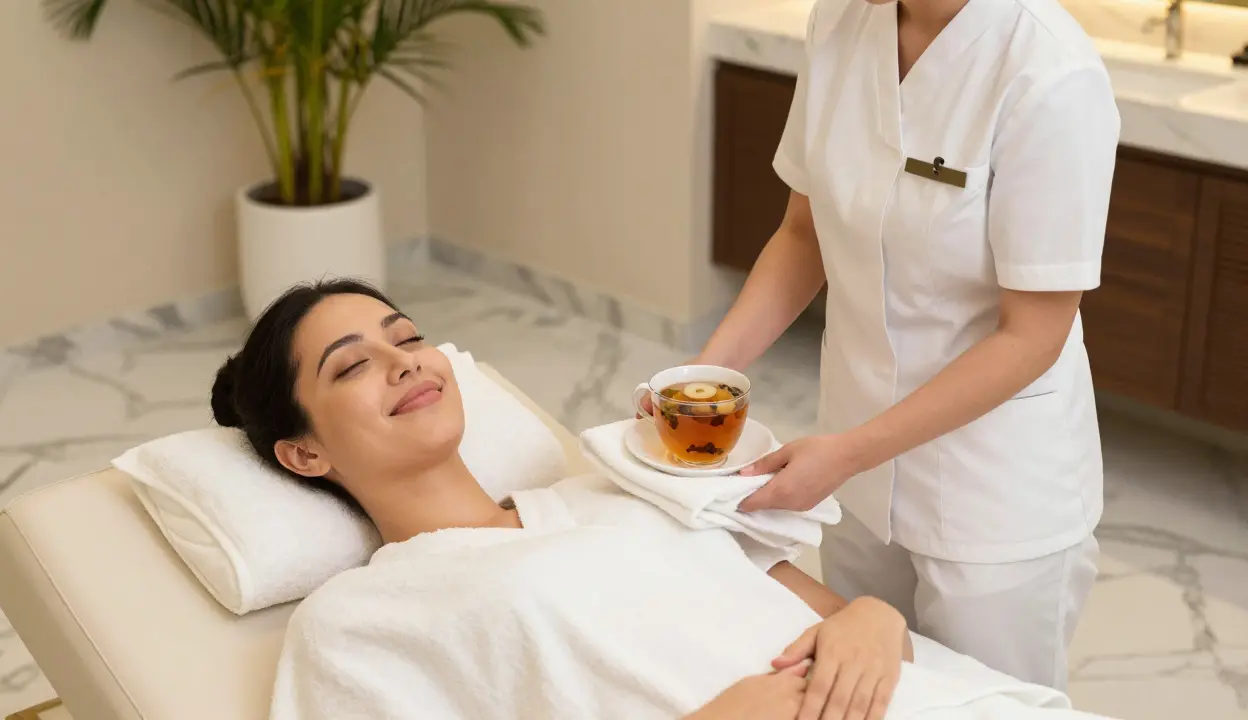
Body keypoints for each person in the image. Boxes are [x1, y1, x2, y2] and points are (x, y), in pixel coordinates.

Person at [665, 0, 1119, 691]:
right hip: (854, 468)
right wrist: (702, 379)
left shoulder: (1048, 68)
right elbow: (802, 234)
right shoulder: (842, 20)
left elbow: (1032, 335)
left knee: (985, 705)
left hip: (992, 493)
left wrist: (846, 453)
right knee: (866, 690)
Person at [211, 280, 914, 720]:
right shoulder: (355, 619)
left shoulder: (618, 489)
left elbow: (843, 619)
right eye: (354, 365)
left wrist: (875, 620)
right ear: (305, 453)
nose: (405, 362)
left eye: (409, 339)